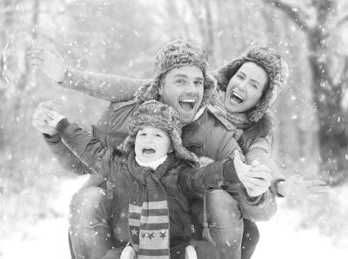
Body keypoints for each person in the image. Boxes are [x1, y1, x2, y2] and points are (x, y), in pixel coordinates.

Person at [30, 40, 277, 259]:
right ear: (160, 85)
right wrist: (54, 133)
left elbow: (235, 183)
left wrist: (254, 190)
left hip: (184, 233)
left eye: (198, 82)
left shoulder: (215, 132)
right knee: (86, 200)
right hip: (128, 223)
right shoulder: (125, 115)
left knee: (223, 202)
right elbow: (84, 161)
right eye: (181, 80)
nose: (192, 89)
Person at [34, 100, 263, 259]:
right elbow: (91, 149)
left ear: (171, 145)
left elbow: (206, 176)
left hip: (176, 247)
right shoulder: (121, 168)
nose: (148, 140)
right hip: (134, 247)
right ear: (134, 141)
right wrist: (62, 125)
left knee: (208, 253)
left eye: (157, 135)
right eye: (143, 134)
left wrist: (233, 168)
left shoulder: (179, 174)